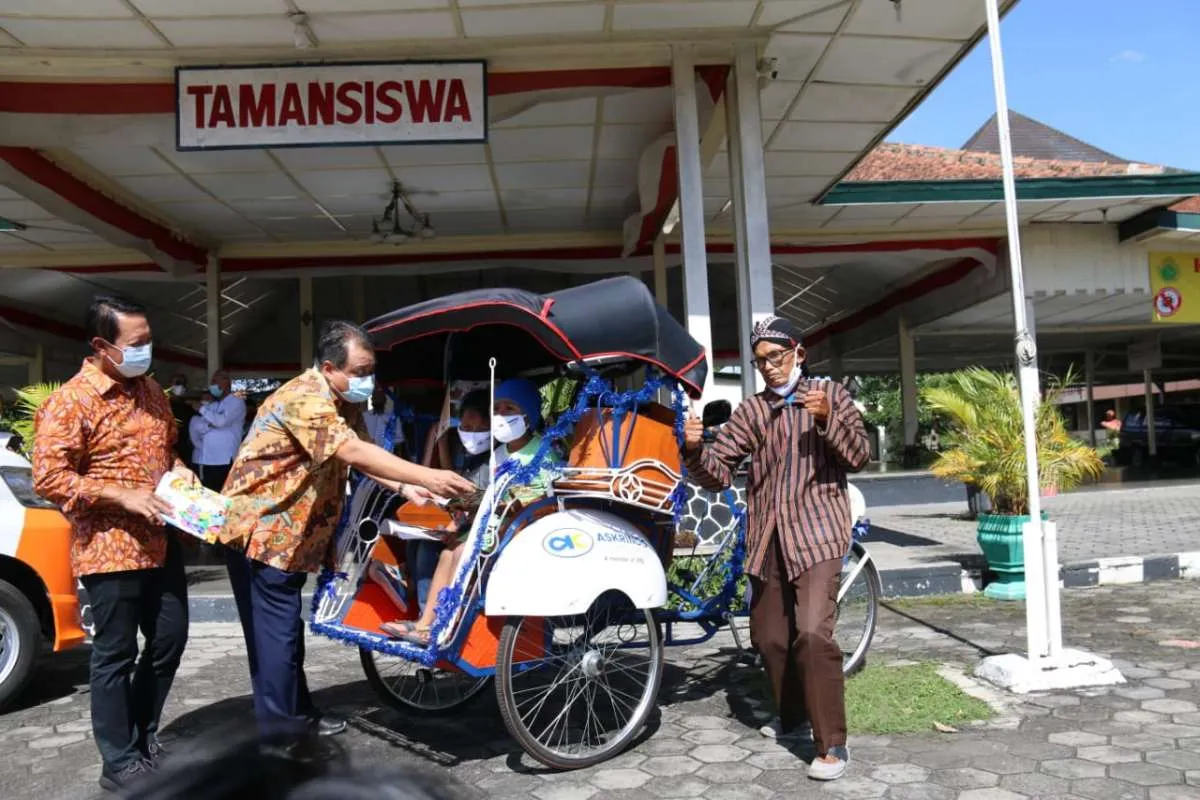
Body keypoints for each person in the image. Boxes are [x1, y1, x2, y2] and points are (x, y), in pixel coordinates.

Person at [218, 320, 475, 741]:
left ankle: (296, 714)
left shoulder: (344, 402)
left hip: (293, 538)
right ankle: (283, 734)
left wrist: (406, 486)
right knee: (275, 638)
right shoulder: (304, 398)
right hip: (261, 535)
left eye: (370, 370)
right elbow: (350, 449)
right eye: (358, 371)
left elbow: (365, 456)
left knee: (283, 635)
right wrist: (429, 476)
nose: (366, 380)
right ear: (329, 368)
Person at [682, 315, 870, 782]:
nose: (769, 367)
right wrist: (692, 451)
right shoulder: (752, 411)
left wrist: (826, 419)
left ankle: (832, 745)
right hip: (767, 537)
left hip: (819, 534)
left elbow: (859, 457)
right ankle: (793, 716)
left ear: (798, 355)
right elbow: (720, 470)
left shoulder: (830, 397)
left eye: (777, 357)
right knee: (767, 638)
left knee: (811, 634)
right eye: (760, 360)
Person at [31, 295, 199, 792]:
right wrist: (119, 494)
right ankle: (119, 760)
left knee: (170, 639)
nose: (148, 350)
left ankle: (142, 736)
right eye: (138, 343)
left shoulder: (150, 391)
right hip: (108, 549)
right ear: (103, 346)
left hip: (160, 542)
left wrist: (180, 474)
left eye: (150, 340)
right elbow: (49, 478)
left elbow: (165, 451)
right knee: (115, 654)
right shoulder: (71, 402)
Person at [382, 378, 553, 645]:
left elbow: (537, 496)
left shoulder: (544, 452)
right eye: (497, 408)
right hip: (490, 525)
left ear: (528, 414)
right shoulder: (499, 453)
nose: (501, 415)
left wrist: (488, 502)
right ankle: (427, 623)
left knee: (461, 551)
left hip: (520, 528)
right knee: (448, 550)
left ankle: (448, 624)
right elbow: (483, 493)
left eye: (510, 408)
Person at [190, 369, 246, 493]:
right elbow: (198, 426)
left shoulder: (236, 402)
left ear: (226, 382)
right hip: (207, 460)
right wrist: (211, 423)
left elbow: (220, 422)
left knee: (223, 495)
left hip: (224, 460)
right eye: (212, 382)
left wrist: (202, 409)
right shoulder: (214, 405)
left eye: (215, 381)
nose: (213, 385)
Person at [362, 383, 404, 453]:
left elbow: (399, 441)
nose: (377, 398)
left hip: (387, 456)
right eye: (375, 396)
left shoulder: (392, 418)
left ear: (385, 400)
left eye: (380, 396)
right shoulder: (364, 416)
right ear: (372, 399)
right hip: (367, 455)